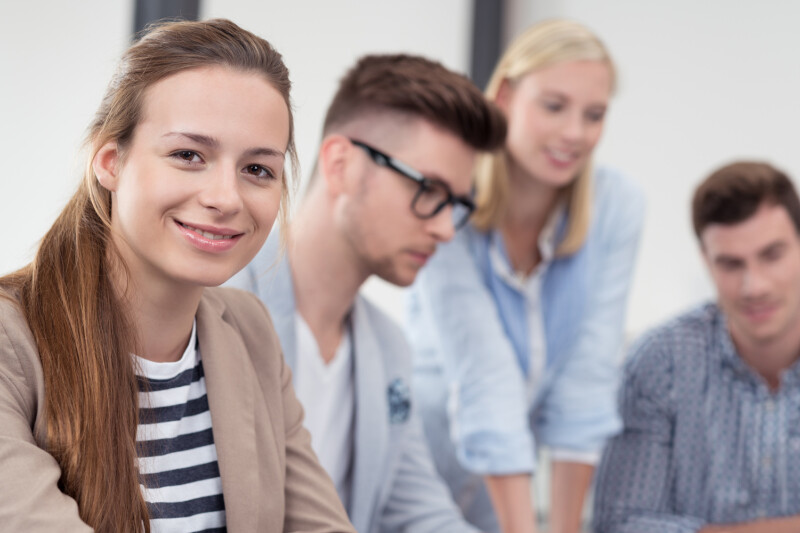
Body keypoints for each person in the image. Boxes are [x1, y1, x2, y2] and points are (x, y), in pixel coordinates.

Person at [0, 19, 355, 533]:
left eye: (257, 169)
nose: (226, 198)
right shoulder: (12, 340)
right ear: (110, 162)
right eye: (188, 155)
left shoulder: (249, 328)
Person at [227, 54, 506, 533]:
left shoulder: (388, 349)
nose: (444, 229)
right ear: (342, 164)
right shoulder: (215, 304)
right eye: (429, 191)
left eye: (455, 205)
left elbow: (419, 511)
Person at [405, 19, 645, 533]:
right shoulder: (451, 200)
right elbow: (484, 378)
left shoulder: (616, 207)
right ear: (507, 96)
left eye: (594, 114)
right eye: (554, 106)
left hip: (503, 499)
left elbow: (587, 379)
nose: (575, 133)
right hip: (414, 481)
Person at [593, 161, 800, 533]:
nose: (755, 286)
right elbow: (620, 524)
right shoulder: (661, 361)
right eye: (731, 264)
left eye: (772, 255)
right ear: (705, 261)